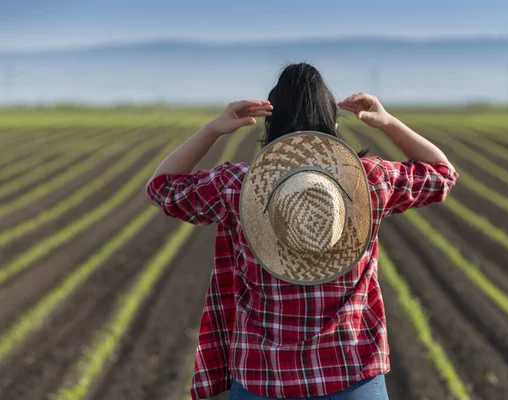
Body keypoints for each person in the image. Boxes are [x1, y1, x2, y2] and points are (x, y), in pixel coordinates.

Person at [146, 63, 458, 400]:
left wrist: (214, 128)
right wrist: (388, 122)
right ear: (333, 124)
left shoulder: (238, 186)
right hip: (351, 375)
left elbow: (162, 187)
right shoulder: (368, 182)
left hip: (262, 378)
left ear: (270, 123)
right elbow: (442, 173)